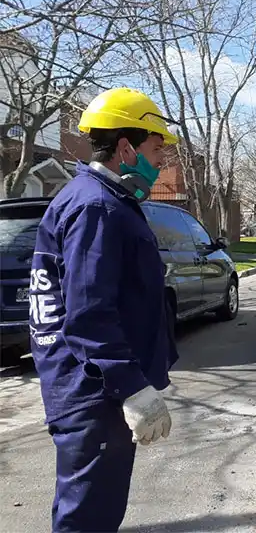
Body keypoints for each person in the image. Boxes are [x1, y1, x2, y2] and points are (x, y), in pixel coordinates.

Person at [29, 87, 180, 532]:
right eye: (155, 149)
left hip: (94, 386)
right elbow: (90, 314)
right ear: (125, 147)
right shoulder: (96, 207)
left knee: (97, 510)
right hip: (94, 392)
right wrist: (132, 387)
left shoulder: (102, 200)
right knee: (88, 517)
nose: (160, 162)